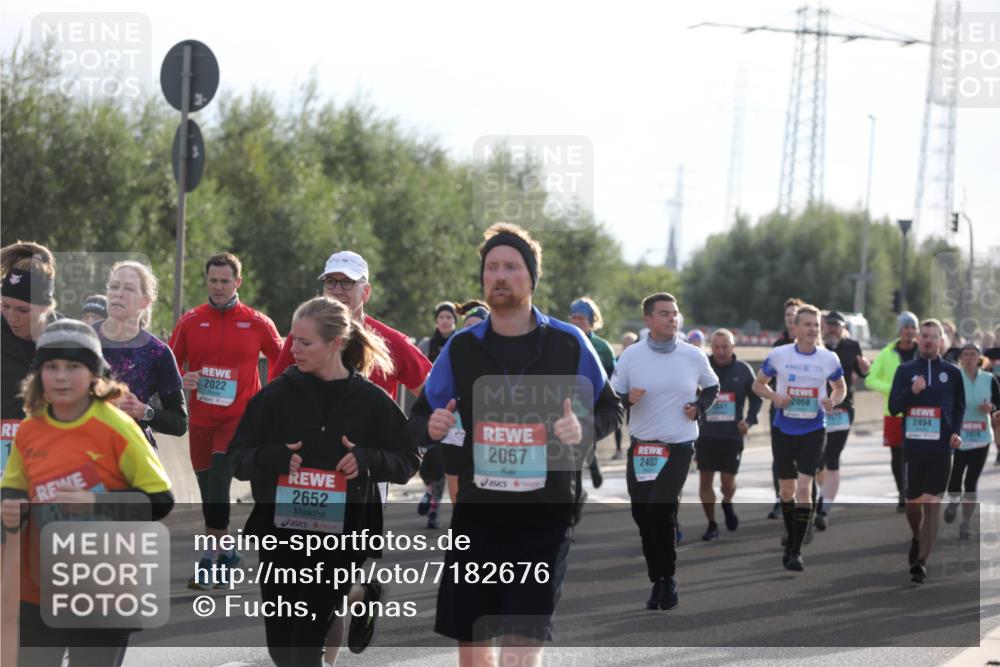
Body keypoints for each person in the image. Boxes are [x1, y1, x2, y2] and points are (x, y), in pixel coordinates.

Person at [407, 223, 623, 666]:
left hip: (544, 516)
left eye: (511, 266)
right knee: (473, 651)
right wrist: (432, 426)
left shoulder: (568, 342)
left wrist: (581, 429)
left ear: (531, 277)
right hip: (478, 515)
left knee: (521, 653)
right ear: (483, 278)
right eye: (491, 267)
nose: (500, 275)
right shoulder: (462, 348)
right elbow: (420, 416)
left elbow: (610, 409)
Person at [228, 296, 418, 667]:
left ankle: (353, 596)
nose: (292, 349)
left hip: (340, 539)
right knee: (282, 649)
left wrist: (367, 459)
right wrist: (275, 457)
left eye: (304, 342)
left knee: (304, 647)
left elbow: (409, 459)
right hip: (281, 536)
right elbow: (236, 458)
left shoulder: (371, 401)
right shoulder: (276, 396)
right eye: (291, 340)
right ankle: (363, 595)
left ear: (335, 344)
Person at [268, 251, 431, 658]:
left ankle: (345, 624)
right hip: (306, 474)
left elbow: (433, 391)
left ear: (365, 291)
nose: (338, 289)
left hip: (362, 477)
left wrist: (397, 440)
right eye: (331, 282)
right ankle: (358, 599)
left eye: (347, 283)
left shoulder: (389, 341)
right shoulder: (299, 338)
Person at [1, 319, 174, 667]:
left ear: (95, 374)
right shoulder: (31, 429)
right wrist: (11, 507)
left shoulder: (117, 427)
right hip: (39, 590)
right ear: (39, 375)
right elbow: (14, 486)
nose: (61, 376)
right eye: (51, 366)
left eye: (73, 366)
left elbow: (160, 501)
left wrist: (98, 503)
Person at [168, 253, 283, 588]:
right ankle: (229, 553)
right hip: (201, 419)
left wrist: (270, 401)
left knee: (219, 481)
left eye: (225, 281)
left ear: (238, 283)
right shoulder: (190, 321)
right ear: (207, 281)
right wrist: (183, 377)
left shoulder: (257, 322)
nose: (218, 287)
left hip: (238, 418)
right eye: (213, 281)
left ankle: (209, 560)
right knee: (209, 493)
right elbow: (169, 366)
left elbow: (285, 360)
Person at [611, 292, 719, 609]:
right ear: (648, 320)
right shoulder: (631, 356)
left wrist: (699, 407)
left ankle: (668, 578)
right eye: (664, 313)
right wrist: (627, 398)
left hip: (679, 445)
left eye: (674, 313)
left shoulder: (692, 355)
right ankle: (656, 580)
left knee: (661, 510)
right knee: (643, 515)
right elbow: (613, 396)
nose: (672, 318)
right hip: (642, 447)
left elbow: (712, 387)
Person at [753, 304, 846, 572]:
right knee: (787, 490)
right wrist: (776, 397)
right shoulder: (779, 355)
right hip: (784, 430)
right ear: (796, 328)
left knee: (805, 487)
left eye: (816, 325)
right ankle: (791, 532)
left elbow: (839, 388)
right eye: (807, 325)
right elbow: (758, 384)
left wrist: (832, 400)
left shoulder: (828, 359)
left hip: (814, 429)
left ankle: (795, 550)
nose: (813, 330)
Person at [888, 319, 964, 584]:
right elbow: (894, 406)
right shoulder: (905, 370)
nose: (929, 340)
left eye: (934, 336)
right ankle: (916, 536)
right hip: (913, 448)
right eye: (925, 335)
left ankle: (921, 561)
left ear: (942, 342)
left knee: (932, 503)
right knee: (913, 503)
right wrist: (912, 390)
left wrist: (956, 432)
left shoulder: (953, 373)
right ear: (919, 340)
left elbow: (959, 408)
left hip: (941, 450)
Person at [95, 261, 187, 448]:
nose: (118, 293)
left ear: (145, 301)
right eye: (114, 286)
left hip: (132, 450)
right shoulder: (82, 339)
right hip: (85, 447)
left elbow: (180, 423)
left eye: (129, 289)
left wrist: (144, 411)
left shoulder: (157, 352)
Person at [695, 328, 761, 541]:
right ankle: (712, 524)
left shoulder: (743, 370)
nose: (721, 351)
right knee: (705, 479)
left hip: (732, 435)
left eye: (725, 347)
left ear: (733, 347)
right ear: (711, 347)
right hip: (705, 434)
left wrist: (749, 421)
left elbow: (757, 397)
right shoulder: (702, 366)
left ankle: (727, 501)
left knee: (727, 482)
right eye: (716, 347)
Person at [2, 241, 60, 478]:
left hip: (50, 463)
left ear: (46, 306)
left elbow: (102, 394)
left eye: (23, 310)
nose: (12, 317)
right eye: (5, 306)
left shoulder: (69, 339)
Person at [814, 310, 870, 530]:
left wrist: (865, 369)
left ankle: (825, 509)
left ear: (843, 327)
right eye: (828, 325)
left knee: (832, 457)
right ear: (823, 327)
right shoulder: (817, 347)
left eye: (836, 325)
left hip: (843, 410)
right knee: (817, 459)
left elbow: (861, 372)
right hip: (817, 410)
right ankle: (820, 496)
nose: (832, 329)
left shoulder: (852, 346)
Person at [943, 342, 999, 539]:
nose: (968, 358)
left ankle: (965, 523)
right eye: (965, 355)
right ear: (961, 358)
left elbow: (998, 405)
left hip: (982, 438)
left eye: (972, 354)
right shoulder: (954, 377)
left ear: (979, 358)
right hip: (959, 436)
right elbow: (946, 403)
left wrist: (991, 408)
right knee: (956, 476)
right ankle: (953, 502)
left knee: (971, 482)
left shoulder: (989, 379)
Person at [866, 311, 920, 512]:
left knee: (915, 456)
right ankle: (902, 493)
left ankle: (914, 491)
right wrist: (893, 388)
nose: (909, 331)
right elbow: (871, 379)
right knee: (897, 456)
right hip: (894, 413)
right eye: (906, 327)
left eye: (913, 327)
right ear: (900, 330)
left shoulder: (922, 352)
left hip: (920, 413)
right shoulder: (887, 353)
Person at [416, 301, 459, 529]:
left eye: (449, 318)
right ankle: (428, 490)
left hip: (453, 410)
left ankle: (434, 510)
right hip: (430, 407)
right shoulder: (426, 345)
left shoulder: (460, 343)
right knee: (426, 461)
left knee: (443, 459)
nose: (445, 321)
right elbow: (419, 376)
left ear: (454, 321)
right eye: (441, 317)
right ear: (436, 320)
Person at [568, 296, 615, 489]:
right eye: (574, 317)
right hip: (567, 403)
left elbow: (613, 376)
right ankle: (589, 469)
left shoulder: (602, 348)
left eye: (582, 318)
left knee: (584, 441)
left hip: (593, 402)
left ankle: (592, 467)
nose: (577, 321)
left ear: (592, 321)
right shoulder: (563, 341)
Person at [765, 297, 803, 519]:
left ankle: (803, 498)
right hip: (781, 410)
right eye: (787, 315)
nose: (790, 319)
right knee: (779, 457)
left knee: (804, 459)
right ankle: (781, 500)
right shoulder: (778, 347)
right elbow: (766, 379)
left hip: (807, 412)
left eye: (794, 315)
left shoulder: (813, 346)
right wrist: (775, 395)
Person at [613, 332, 639, 460]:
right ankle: (618, 450)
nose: (628, 346)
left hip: (634, 396)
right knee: (617, 423)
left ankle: (633, 447)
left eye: (631, 343)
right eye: (625, 343)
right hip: (619, 395)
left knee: (631, 422)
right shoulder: (617, 359)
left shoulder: (639, 359)